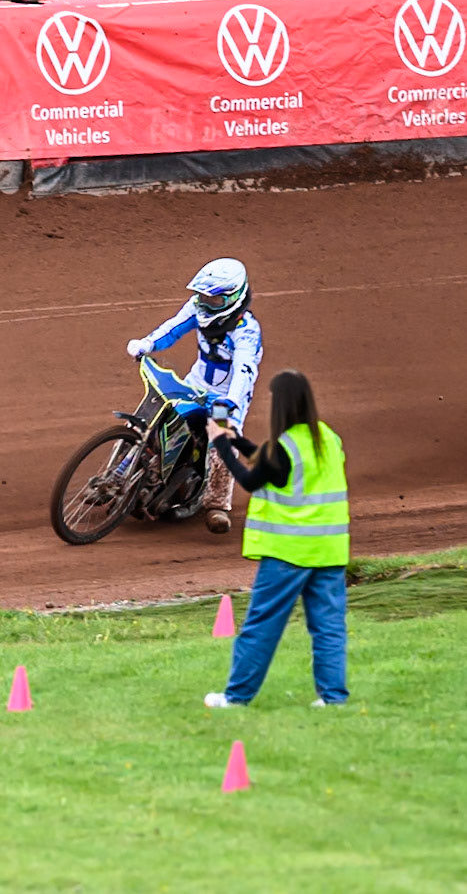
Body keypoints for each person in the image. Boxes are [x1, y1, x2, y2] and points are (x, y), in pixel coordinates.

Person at [202, 369, 349, 707]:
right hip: (329, 550)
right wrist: (236, 439)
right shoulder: (328, 438)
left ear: (281, 405)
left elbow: (253, 479)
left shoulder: (284, 447)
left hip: (289, 553)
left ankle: (236, 697)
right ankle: (333, 698)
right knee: (328, 628)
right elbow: (273, 464)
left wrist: (222, 446)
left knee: (261, 627)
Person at [125, 257, 263, 533]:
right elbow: (174, 327)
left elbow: (244, 369)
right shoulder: (197, 308)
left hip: (227, 398)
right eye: (200, 296)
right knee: (154, 416)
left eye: (212, 300)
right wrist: (147, 344)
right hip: (196, 384)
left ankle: (217, 506)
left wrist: (231, 400)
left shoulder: (246, 331)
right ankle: (122, 472)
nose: (203, 303)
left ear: (233, 297)